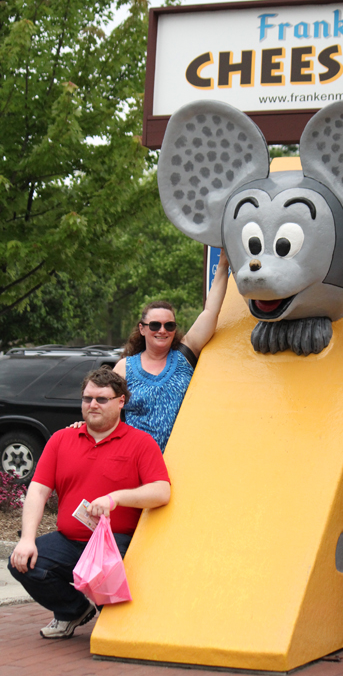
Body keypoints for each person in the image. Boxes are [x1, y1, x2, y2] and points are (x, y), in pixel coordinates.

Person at [8, 366, 170, 640]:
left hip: (115, 544)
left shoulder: (140, 443)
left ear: (121, 401)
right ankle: (73, 611)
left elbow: (161, 491)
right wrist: (27, 539)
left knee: (109, 601)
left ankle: (117, 625)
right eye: (87, 399)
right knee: (22, 562)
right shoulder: (61, 439)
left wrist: (116, 498)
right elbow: (37, 490)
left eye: (101, 399)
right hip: (70, 541)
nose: (92, 404)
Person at [113, 249, 229, 452]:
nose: (162, 330)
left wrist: (223, 265)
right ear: (142, 328)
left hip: (184, 460)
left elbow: (211, 311)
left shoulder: (184, 356)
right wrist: (82, 425)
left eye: (169, 326)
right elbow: (103, 408)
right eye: (155, 325)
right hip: (136, 462)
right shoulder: (124, 367)